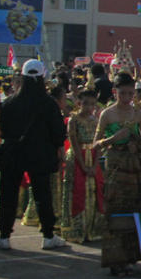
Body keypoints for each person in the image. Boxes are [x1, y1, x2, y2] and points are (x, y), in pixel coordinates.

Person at [0, 59, 66, 251]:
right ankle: (48, 236)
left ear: (22, 77)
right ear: (42, 78)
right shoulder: (49, 104)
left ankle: (4, 235)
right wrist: (57, 148)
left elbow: (5, 130)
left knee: (8, 195)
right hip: (40, 154)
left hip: (14, 152)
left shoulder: (10, 102)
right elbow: (58, 132)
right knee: (43, 195)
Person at [94, 72, 141, 274]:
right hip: (115, 166)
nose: (127, 98)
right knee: (116, 212)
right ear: (115, 92)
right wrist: (113, 139)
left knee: (135, 211)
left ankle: (131, 257)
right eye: (123, 94)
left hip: (134, 167)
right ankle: (114, 261)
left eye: (130, 94)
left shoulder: (138, 114)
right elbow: (95, 144)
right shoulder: (107, 114)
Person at [60, 89, 105, 243]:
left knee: (94, 190)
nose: (89, 107)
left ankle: (92, 229)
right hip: (77, 157)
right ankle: (76, 230)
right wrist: (83, 164)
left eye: (92, 104)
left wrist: (95, 163)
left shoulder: (96, 121)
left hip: (92, 156)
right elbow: (73, 143)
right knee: (77, 190)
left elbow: (99, 143)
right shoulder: (73, 120)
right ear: (79, 103)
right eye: (86, 103)